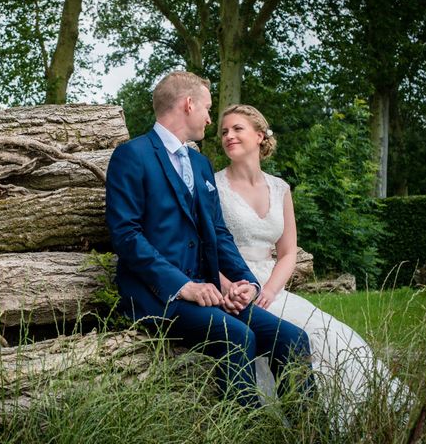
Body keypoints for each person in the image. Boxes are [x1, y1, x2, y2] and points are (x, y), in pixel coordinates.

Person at [105, 71, 314, 409]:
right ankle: (249, 431)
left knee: (293, 338)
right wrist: (183, 286)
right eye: (206, 108)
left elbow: (217, 232)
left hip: (210, 291)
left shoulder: (201, 164)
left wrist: (245, 283)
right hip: (157, 296)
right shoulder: (132, 155)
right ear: (188, 104)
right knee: (237, 335)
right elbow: (126, 236)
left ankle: (305, 430)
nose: (208, 118)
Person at [216, 103, 407, 421]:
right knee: (296, 335)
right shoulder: (215, 186)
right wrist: (236, 287)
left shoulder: (279, 188)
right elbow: (208, 246)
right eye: (223, 131)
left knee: (334, 333)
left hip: (271, 285)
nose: (228, 136)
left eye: (237, 129)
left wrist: (271, 290)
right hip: (232, 281)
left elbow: (288, 251)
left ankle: (359, 412)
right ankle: (298, 416)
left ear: (260, 136)